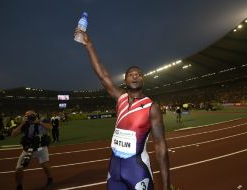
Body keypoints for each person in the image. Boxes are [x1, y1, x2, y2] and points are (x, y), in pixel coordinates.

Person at [74, 30, 170, 190]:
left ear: (143, 80)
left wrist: (166, 186)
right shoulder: (121, 97)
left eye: (139, 74)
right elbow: (103, 77)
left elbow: (160, 145)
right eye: (131, 74)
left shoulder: (151, 107)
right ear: (125, 80)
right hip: (114, 169)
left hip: (137, 170)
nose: (135, 76)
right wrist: (89, 45)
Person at [11, 110, 53, 190]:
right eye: (27, 116)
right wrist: (23, 123)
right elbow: (13, 135)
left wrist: (39, 122)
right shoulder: (25, 125)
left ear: (35, 115)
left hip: (41, 148)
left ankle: (50, 179)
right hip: (28, 149)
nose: (30, 118)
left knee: (45, 165)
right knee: (18, 169)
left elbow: (50, 127)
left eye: (31, 116)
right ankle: (19, 186)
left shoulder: (42, 121)